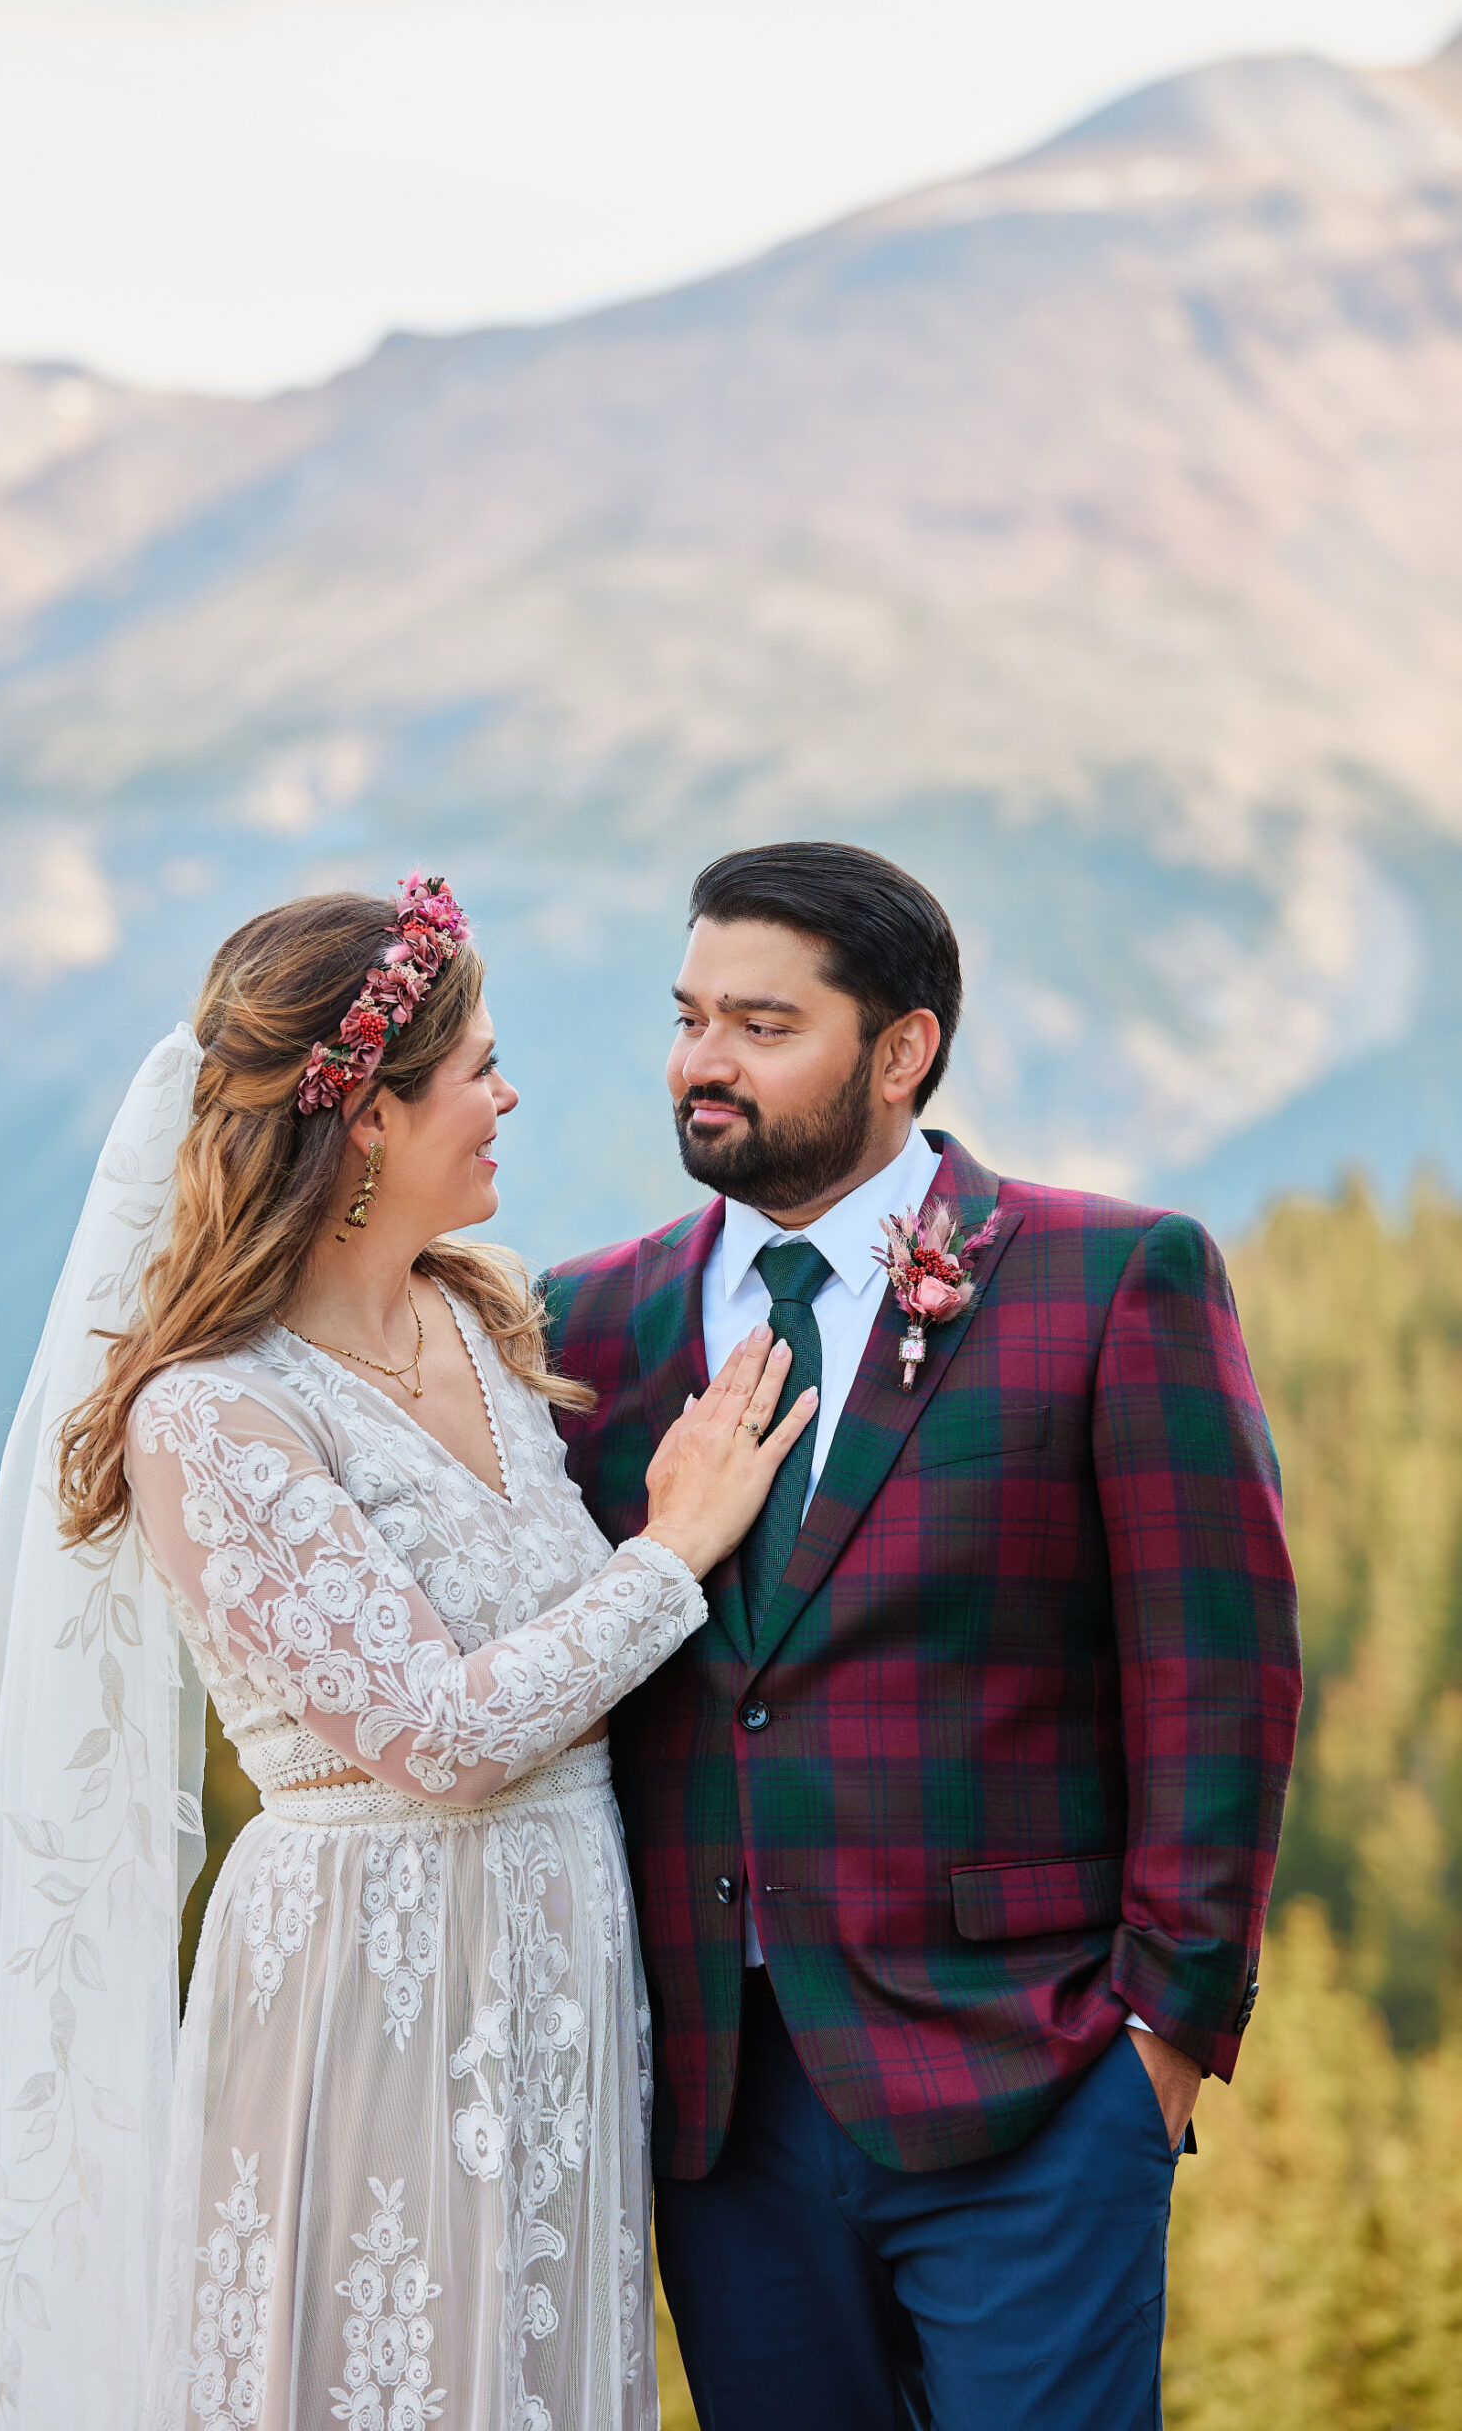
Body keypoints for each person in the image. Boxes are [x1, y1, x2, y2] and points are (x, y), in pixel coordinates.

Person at [0, 874, 816, 2431]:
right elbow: (436, 1736)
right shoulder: (213, 1413)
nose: (508, 1097)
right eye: (479, 1067)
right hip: (373, 1984)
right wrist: (672, 1551)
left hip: (562, 1980)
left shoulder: (485, 1318)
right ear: (368, 1120)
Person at [542, 840, 1303, 2430]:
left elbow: (1217, 1677)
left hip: (1035, 2081)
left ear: (903, 1052)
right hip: (717, 2105)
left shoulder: (1111, 1278)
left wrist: (1162, 2035)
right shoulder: (585, 1322)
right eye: (689, 1017)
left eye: (762, 1026)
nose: (702, 1064)